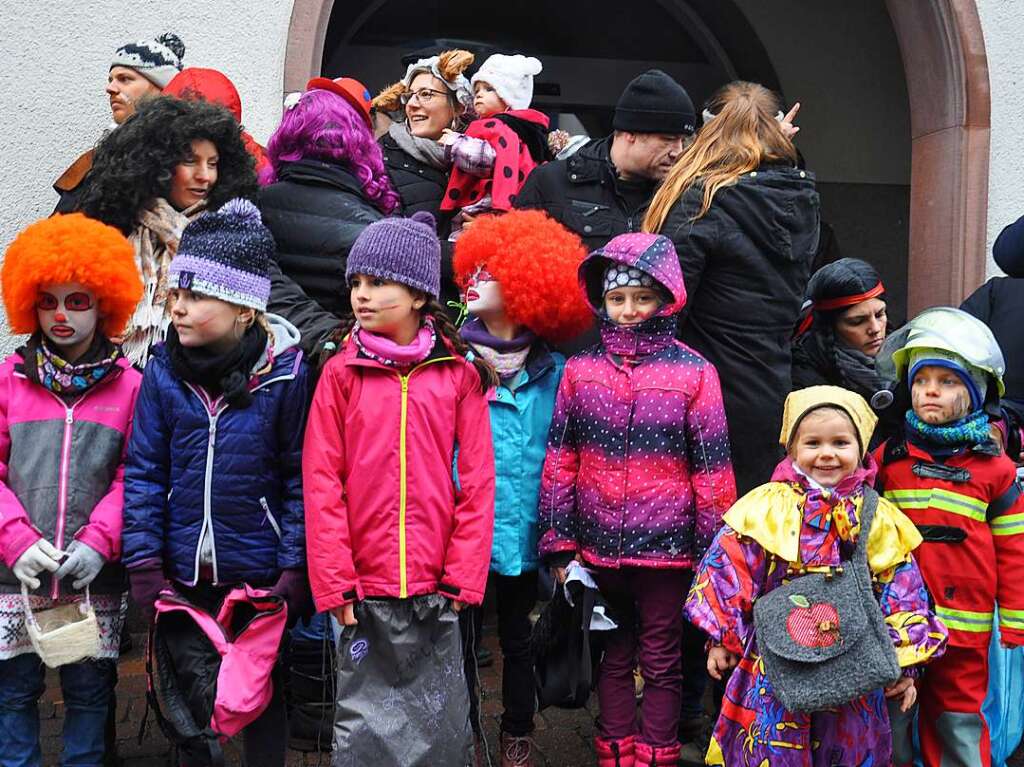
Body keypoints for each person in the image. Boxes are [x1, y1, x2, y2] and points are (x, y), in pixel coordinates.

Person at [123, 199, 312, 767]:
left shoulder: (284, 378)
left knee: (261, 693)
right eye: (176, 294)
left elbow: (299, 478)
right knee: (189, 696)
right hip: (182, 572)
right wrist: (143, 561)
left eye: (196, 296)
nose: (177, 309)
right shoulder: (161, 372)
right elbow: (145, 472)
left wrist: (294, 566)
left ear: (245, 311)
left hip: (258, 576)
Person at [302, 212, 496, 765]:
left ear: (418, 296)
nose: (361, 295)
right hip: (363, 589)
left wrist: (462, 574)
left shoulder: (457, 376)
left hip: (438, 587)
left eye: (377, 283)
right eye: (356, 283)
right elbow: (322, 483)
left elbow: (478, 483)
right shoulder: (340, 375)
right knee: (365, 728)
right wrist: (336, 582)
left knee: (437, 726)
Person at [538, 232, 736, 766]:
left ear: (666, 298)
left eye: (642, 298)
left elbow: (712, 471)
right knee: (613, 652)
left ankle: (657, 751)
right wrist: (559, 541)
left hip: (668, 548)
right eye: (618, 298)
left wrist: (711, 554)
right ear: (601, 301)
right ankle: (615, 747)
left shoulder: (694, 372)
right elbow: (562, 456)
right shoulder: (581, 371)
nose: (629, 310)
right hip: (598, 544)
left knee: (664, 655)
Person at [685, 385, 946, 767]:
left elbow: (901, 590)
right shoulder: (767, 507)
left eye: (841, 442)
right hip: (773, 659)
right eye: (812, 443)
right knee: (770, 744)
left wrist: (903, 662)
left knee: (848, 745)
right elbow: (730, 566)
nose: (827, 453)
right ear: (792, 448)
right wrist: (722, 637)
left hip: (854, 660)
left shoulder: (876, 516)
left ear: (860, 448)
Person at [0, 213, 144, 766]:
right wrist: (14, 540)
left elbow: (136, 473)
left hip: (92, 575)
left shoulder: (131, 387)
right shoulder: (10, 380)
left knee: (89, 697)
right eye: (49, 301)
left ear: (103, 302)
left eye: (78, 300)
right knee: (13, 693)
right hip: (15, 573)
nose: (61, 315)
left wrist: (99, 540)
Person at [453, 210, 591, 766]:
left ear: (526, 283)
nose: (472, 278)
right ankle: (459, 731)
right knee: (456, 641)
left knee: (517, 638)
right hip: (460, 531)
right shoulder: (453, 366)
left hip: (524, 532)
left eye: (489, 270)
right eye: (472, 266)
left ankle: (516, 729)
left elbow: (568, 459)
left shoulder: (557, 373)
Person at [644, 80, 820, 495]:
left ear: (707, 133)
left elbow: (667, 301)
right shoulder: (800, 195)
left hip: (702, 389)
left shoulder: (701, 199)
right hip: (768, 387)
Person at [874, 307, 1024, 767]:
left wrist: (1016, 622)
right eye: (921, 381)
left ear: (977, 391)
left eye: (947, 381)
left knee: (958, 717)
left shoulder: (995, 471)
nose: (930, 391)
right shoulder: (889, 460)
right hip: (896, 624)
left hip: (967, 625)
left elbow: (1015, 550)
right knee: (891, 716)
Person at [80, 97, 259, 368]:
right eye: (190, 161)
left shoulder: (232, 235)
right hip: (113, 381)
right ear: (159, 165)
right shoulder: (113, 228)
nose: (205, 176)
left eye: (213, 164)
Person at [260, 76, 398, 356]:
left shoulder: (250, 206)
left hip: (262, 372)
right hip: (339, 364)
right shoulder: (375, 228)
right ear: (358, 142)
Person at [515, 69, 696, 252]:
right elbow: (515, 260)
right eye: (668, 139)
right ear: (630, 133)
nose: (678, 152)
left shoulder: (685, 198)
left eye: (682, 140)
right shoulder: (550, 182)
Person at [54, 32, 186, 213]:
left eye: (125, 79)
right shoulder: (99, 155)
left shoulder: (186, 158)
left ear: (162, 88)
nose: (110, 88)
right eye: (111, 79)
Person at [438, 54, 549, 239]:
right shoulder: (524, 130)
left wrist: (456, 144)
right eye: (477, 89)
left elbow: (487, 158)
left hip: (490, 202)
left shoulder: (500, 127)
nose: (479, 94)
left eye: (489, 89)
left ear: (509, 98)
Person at [164, 67, 269, 174]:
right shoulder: (260, 165)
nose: (203, 176)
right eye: (190, 161)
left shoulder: (260, 173)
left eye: (211, 163)